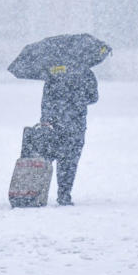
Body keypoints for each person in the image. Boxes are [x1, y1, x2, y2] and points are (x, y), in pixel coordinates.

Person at [40, 64, 98, 205]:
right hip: (76, 122)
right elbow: (94, 97)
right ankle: (64, 194)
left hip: (55, 122)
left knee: (46, 157)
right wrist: (77, 99)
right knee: (69, 160)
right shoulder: (86, 72)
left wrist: (45, 119)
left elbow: (46, 98)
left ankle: (36, 191)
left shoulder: (53, 71)